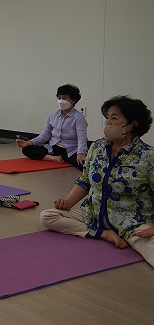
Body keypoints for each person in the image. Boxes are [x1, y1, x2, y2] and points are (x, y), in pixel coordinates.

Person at [40, 96, 154, 266]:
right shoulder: (97, 147)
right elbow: (85, 180)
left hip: (132, 222)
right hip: (93, 214)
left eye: (114, 118)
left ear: (133, 124)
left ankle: (117, 234)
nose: (108, 122)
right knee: (48, 216)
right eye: (107, 117)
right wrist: (68, 202)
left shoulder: (148, 156)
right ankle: (104, 234)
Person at [16, 84, 87, 169]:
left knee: (84, 165)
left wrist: (81, 153)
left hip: (70, 150)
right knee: (26, 149)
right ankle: (53, 158)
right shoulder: (52, 115)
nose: (61, 101)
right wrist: (28, 143)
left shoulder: (79, 117)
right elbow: (45, 135)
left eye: (64, 98)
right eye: (59, 98)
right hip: (53, 149)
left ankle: (64, 158)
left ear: (73, 100)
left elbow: (82, 137)